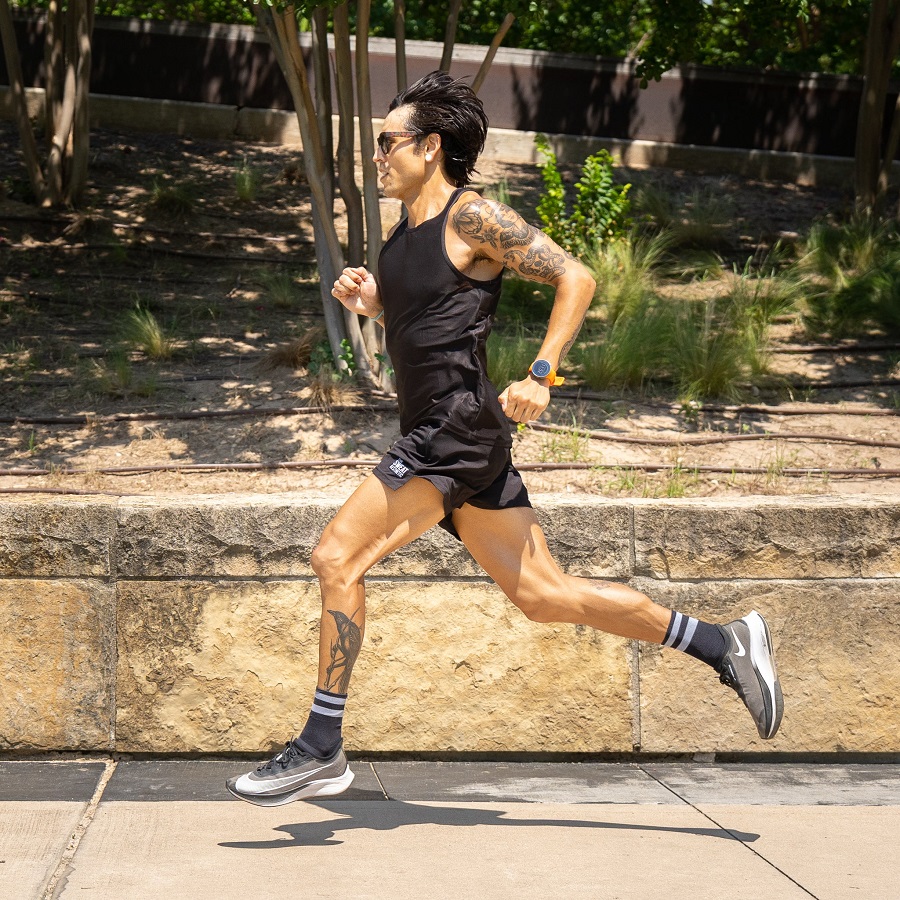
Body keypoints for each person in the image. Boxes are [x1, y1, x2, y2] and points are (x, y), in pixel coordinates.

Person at [226, 71, 783, 807]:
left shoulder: (473, 218)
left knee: (337, 555)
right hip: (452, 434)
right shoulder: (402, 237)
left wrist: (542, 374)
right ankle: (723, 643)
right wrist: (375, 307)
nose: (377, 156)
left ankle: (321, 746)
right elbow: (432, 332)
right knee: (545, 596)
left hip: (452, 430)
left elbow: (575, 278)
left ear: (430, 145)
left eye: (387, 142)